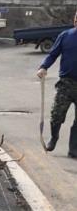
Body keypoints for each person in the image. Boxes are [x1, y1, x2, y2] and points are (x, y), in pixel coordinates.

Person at [37, 10, 77, 158]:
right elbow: (53, 54)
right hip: (66, 84)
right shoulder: (65, 36)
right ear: (75, 20)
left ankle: (74, 149)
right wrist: (43, 67)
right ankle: (54, 138)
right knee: (56, 114)